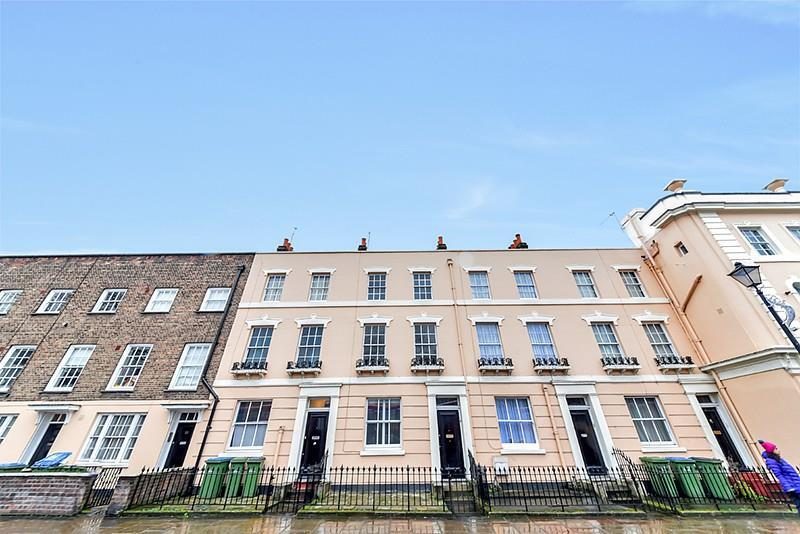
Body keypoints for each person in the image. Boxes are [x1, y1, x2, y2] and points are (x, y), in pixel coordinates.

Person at [760, 440, 800, 515]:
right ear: (771, 451)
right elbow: (779, 475)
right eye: (776, 449)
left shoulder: (779, 460)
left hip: (796, 484)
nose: (778, 450)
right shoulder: (772, 461)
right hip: (792, 486)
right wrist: (788, 487)